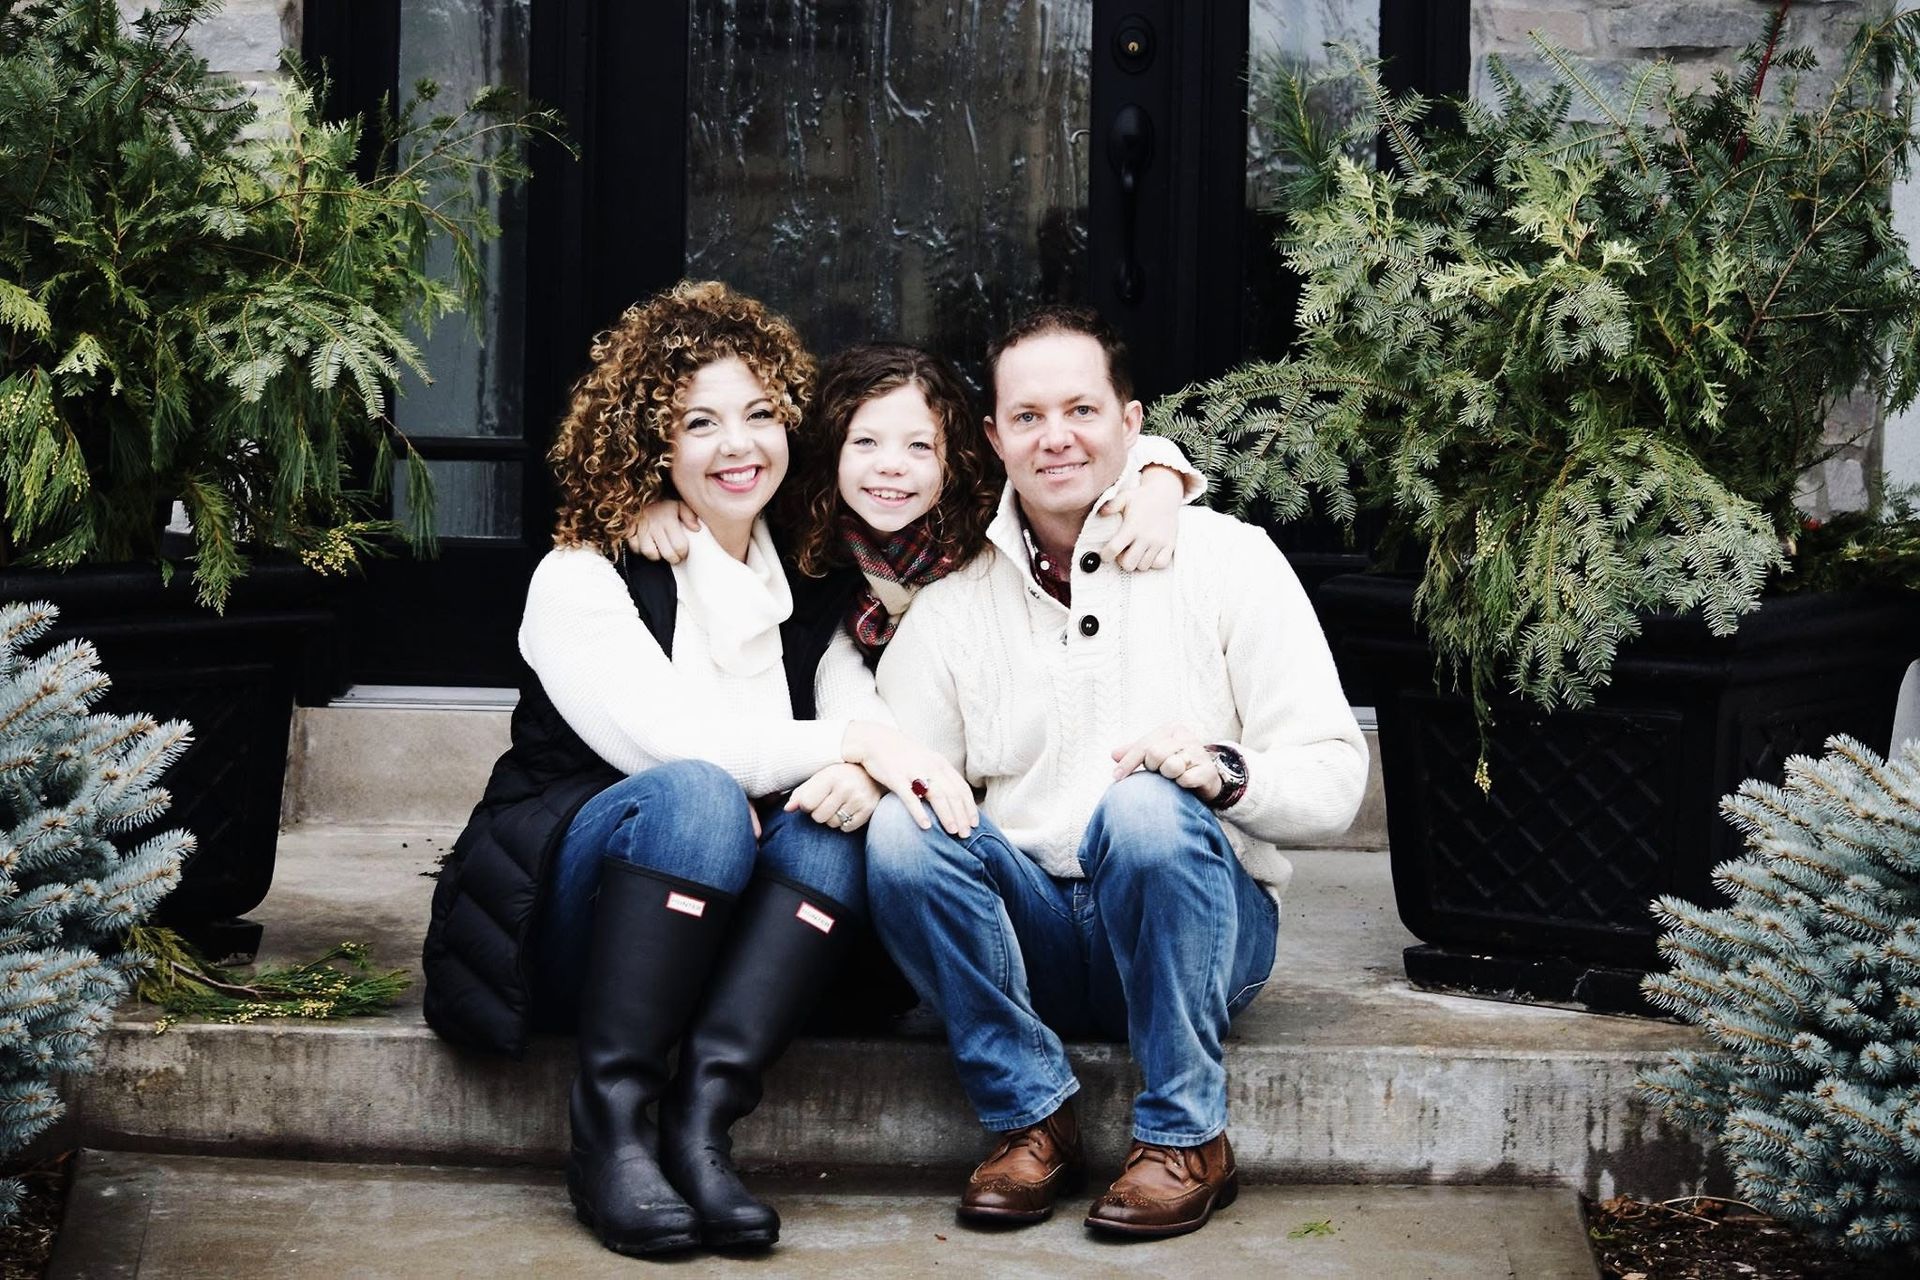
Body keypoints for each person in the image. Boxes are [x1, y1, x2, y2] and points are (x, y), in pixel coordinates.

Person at [420, 281, 974, 1258]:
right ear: (651, 440)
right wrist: (863, 748)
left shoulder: (805, 585)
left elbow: (857, 711)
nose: (740, 444)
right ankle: (612, 1133)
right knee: (697, 797)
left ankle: (701, 1125)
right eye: (701, 422)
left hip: (733, 933)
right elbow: (688, 746)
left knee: (836, 817)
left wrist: (869, 759)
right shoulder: (582, 575)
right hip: (568, 923)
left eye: (761, 414)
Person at [864, 305, 1369, 1239]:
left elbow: (1337, 779)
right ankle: (1030, 1118)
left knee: (1142, 809)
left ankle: (1186, 1137)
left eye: (1082, 410)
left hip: (1203, 928)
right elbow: (904, 769)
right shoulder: (951, 601)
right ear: (994, 437)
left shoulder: (1229, 560)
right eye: (1027, 417)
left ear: (1132, 424)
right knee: (904, 823)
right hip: (1039, 936)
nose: (1056, 437)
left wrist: (1222, 773)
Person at [630, 345, 1205, 662]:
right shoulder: (803, 535)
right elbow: (721, 488)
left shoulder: (984, 525)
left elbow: (1086, 463)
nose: (891, 466)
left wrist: (1159, 480)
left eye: (919, 447)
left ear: (952, 458)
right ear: (831, 452)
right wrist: (652, 501)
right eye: (865, 443)